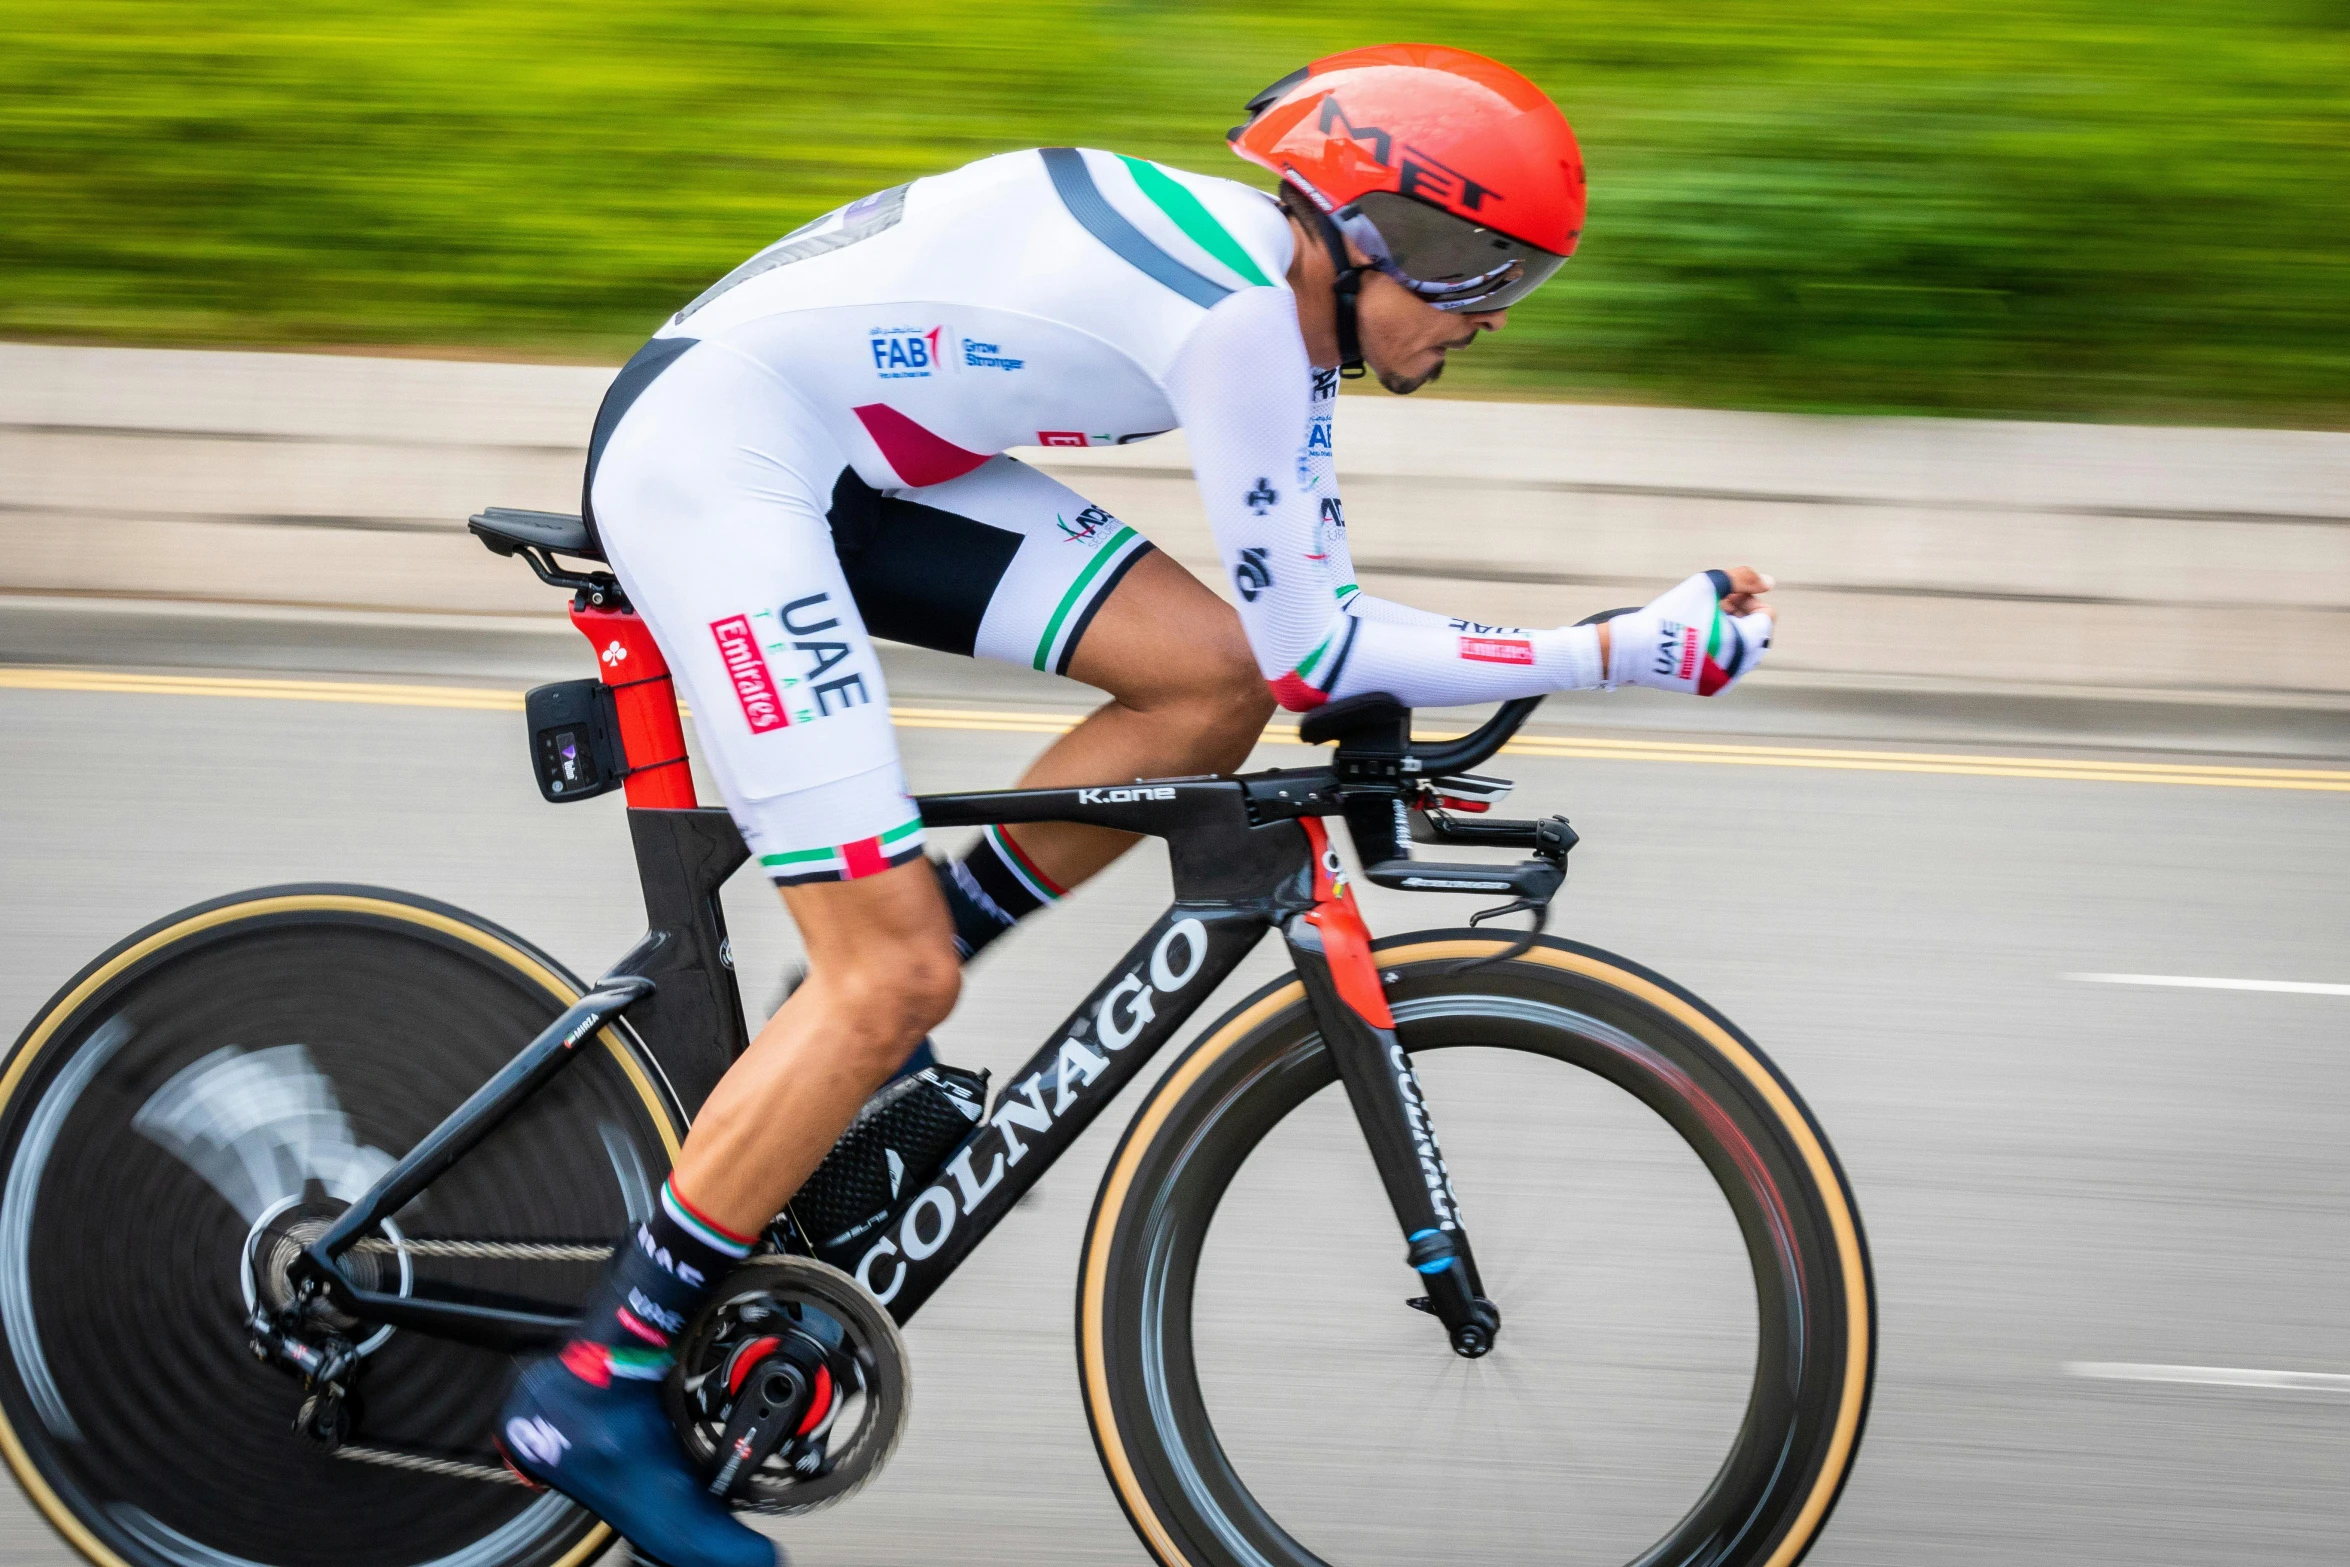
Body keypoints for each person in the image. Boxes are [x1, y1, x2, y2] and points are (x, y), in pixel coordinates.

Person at [493, 42, 1776, 1567]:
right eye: (1484, 274)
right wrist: (1631, 647)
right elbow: (1330, 641)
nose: (1493, 318)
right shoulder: (1244, 315)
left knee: (1206, 683)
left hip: (855, 454)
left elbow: (1283, 648)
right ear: (1382, 236)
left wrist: (1407, 670)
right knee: (884, 973)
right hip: (726, 454)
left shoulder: (1273, 306)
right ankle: (599, 1378)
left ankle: (863, 1016)